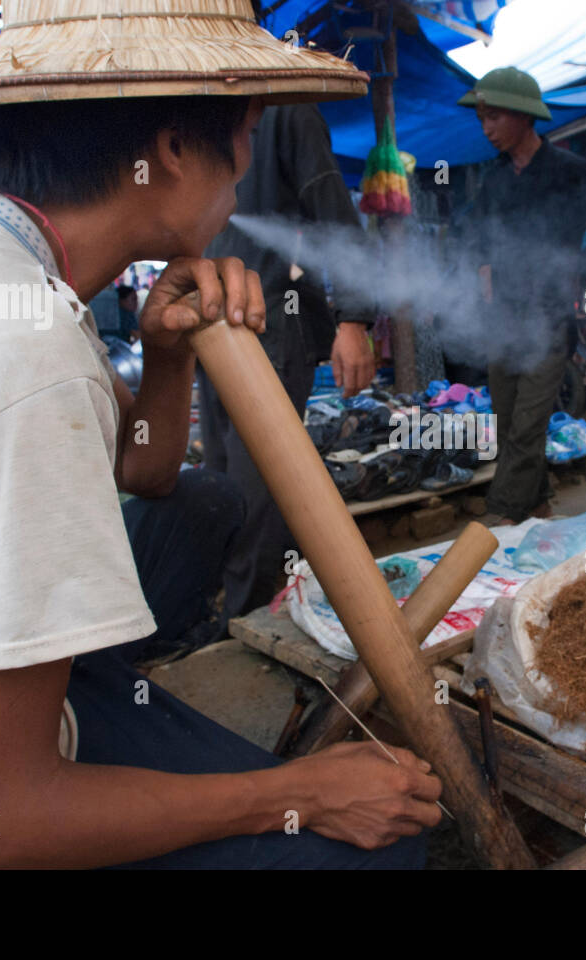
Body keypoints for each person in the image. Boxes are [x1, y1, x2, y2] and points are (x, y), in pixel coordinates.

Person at [0, 0, 438, 870]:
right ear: (172, 151)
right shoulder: (19, 361)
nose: (246, 168)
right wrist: (300, 792)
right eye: (245, 132)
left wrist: (167, 356)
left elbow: (150, 472)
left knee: (203, 503)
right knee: (382, 854)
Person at [199, 100, 377, 616]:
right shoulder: (198, 111)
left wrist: (354, 320)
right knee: (220, 476)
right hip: (211, 321)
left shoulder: (287, 112)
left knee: (258, 483)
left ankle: (248, 616)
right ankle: (238, 600)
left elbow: (335, 218)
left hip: (272, 319)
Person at [457, 67, 586, 524]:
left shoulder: (571, 172)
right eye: (481, 119)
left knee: (529, 422)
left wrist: (582, 271)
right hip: (503, 319)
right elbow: (475, 235)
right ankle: (536, 502)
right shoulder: (494, 177)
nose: (486, 129)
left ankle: (503, 512)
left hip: (550, 317)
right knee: (504, 416)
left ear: (523, 116)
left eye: (494, 117)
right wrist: (481, 275)